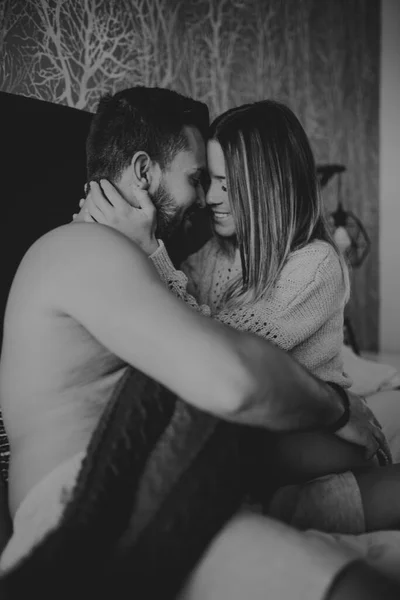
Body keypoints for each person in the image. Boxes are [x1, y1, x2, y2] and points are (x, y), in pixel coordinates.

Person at [0, 86, 397, 600]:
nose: (207, 200)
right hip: (105, 507)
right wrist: (341, 409)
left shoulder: (123, 265)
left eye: (221, 183)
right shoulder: (85, 250)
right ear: (144, 173)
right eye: (198, 179)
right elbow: (235, 373)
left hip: (183, 479)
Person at [76, 99, 397, 534]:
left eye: (225, 184)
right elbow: (168, 319)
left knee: (229, 450)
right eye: (208, 181)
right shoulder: (214, 254)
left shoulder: (316, 264)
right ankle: (290, 508)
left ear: (267, 185)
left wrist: (151, 252)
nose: (210, 198)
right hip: (262, 426)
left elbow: (226, 350)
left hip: (312, 430)